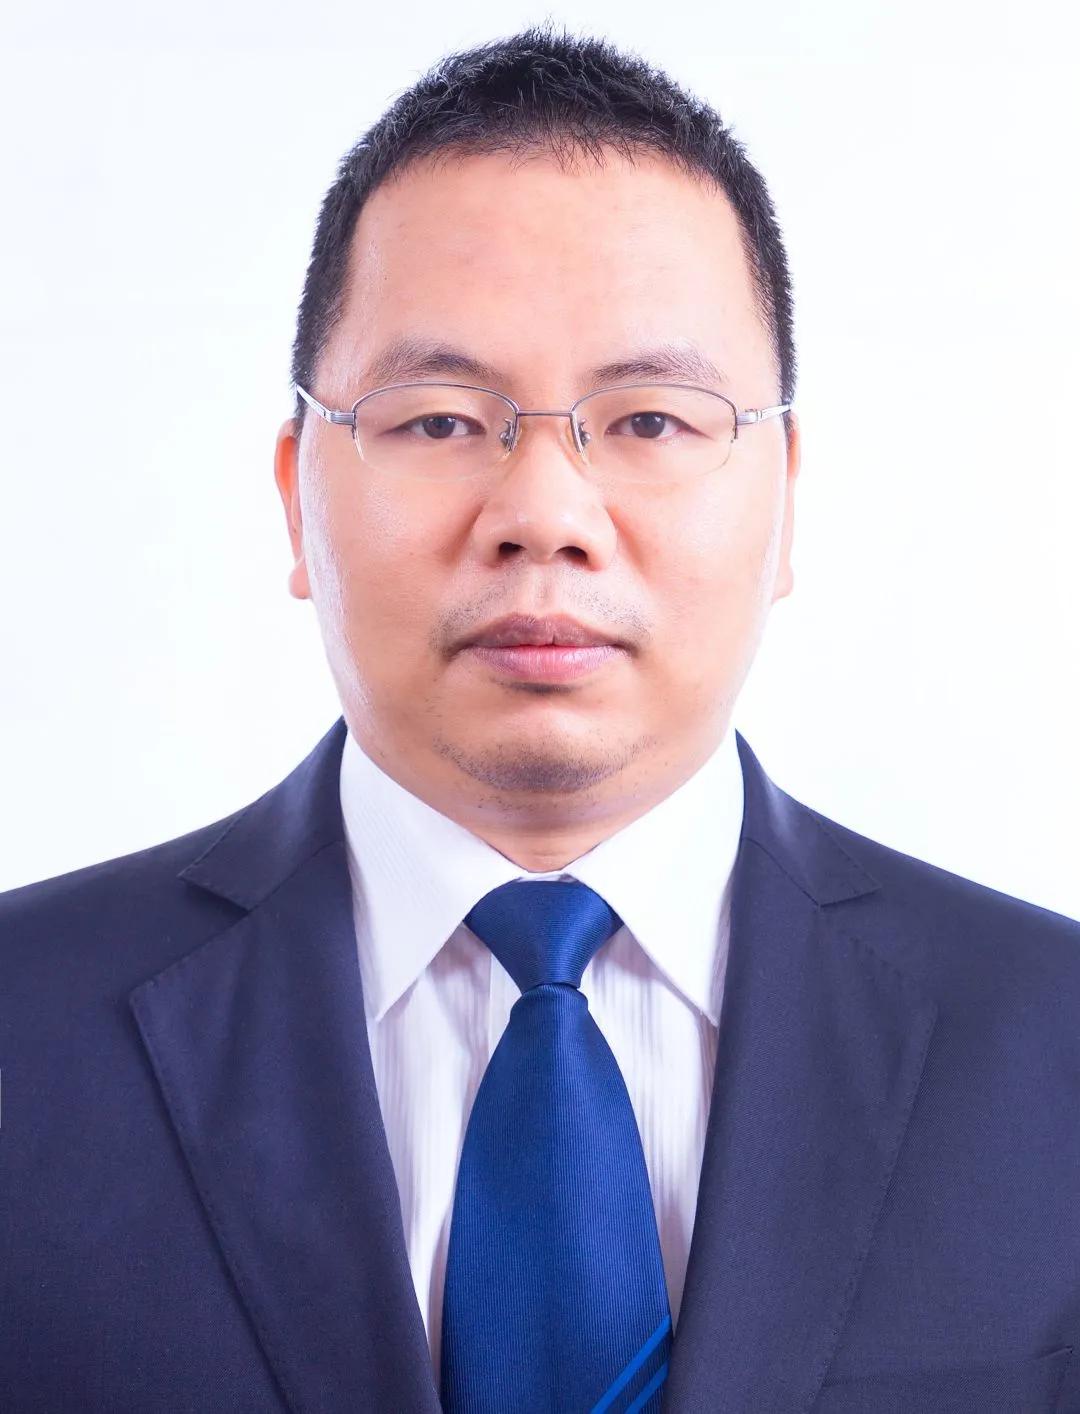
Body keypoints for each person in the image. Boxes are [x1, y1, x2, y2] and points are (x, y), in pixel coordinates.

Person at [2, 23, 1078, 1414]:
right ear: (295, 496)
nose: (545, 515)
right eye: (441, 420)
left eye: (652, 420)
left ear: (788, 498)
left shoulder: (1052, 1046)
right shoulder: (26, 1032)